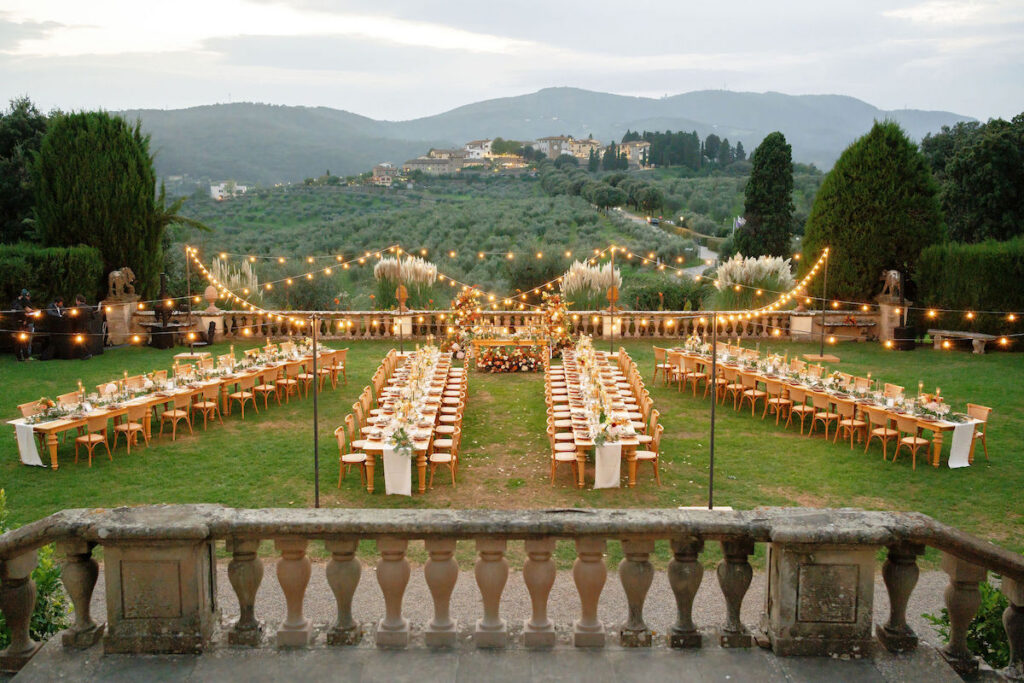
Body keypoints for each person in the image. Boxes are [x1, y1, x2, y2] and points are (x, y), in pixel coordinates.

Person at [12, 289, 37, 361]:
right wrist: (25, 314)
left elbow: (27, 309)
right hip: (17, 324)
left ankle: (20, 357)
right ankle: (24, 357)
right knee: (21, 340)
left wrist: (33, 312)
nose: (28, 298)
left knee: (21, 341)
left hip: (22, 323)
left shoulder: (22, 302)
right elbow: (20, 311)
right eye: (27, 296)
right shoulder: (16, 302)